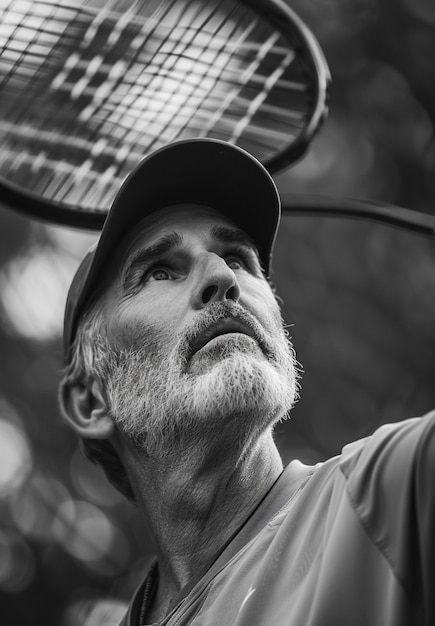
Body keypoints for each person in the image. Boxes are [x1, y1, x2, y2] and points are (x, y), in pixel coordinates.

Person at [59, 138, 435, 626]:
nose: (221, 276)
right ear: (91, 399)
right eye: (158, 271)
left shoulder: (392, 491)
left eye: (237, 257)